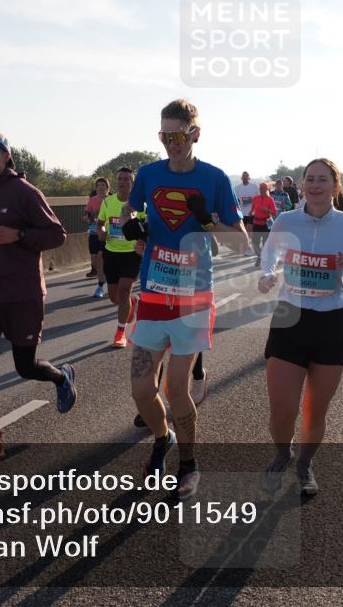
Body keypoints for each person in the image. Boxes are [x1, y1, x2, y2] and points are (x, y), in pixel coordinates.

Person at [122, 99, 248, 501]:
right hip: (155, 293)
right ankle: (163, 438)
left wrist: (207, 219)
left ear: (195, 134)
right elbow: (129, 210)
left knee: (177, 389)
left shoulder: (214, 179)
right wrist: (131, 225)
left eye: (178, 136)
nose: (171, 144)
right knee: (141, 388)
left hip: (194, 297)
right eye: (164, 136)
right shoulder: (148, 174)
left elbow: (241, 245)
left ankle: (189, 465)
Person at [258, 158, 343, 495]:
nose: (315, 185)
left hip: (330, 324)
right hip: (289, 318)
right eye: (309, 179)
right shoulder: (285, 221)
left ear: (335, 186)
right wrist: (267, 275)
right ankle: (282, 455)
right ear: (302, 185)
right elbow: (268, 255)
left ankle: (304, 464)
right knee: (282, 408)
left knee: (315, 411)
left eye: (322, 179)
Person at [0, 132, 76, 471]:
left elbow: (57, 235)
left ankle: (60, 376)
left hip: (22, 295)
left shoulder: (25, 192)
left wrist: (19, 235)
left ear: (6, 157)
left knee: (25, 366)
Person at [98, 167, 144, 348]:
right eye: (120, 179)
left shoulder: (140, 204)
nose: (123, 182)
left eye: (127, 179)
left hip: (131, 254)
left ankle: (120, 332)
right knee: (115, 298)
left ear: (132, 183)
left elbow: (145, 227)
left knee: (124, 290)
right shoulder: (108, 202)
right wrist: (101, 232)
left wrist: (140, 239)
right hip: (111, 252)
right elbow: (101, 223)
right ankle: (131, 302)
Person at [85, 178, 109, 297]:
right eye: (99, 185)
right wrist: (86, 218)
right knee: (94, 258)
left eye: (103, 185)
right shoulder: (92, 200)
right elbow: (87, 214)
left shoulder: (111, 200)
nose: (101, 187)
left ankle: (100, 286)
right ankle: (103, 276)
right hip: (93, 232)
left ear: (107, 187)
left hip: (106, 234)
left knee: (100, 257)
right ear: (96, 188)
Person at [250, 181, 279, 265]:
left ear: (267, 189)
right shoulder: (255, 198)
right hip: (256, 222)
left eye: (263, 188)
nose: (261, 190)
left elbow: (274, 212)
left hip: (266, 223)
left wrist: (267, 210)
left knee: (265, 243)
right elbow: (252, 209)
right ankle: (260, 256)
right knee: (255, 242)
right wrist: (250, 212)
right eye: (260, 188)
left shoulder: (270, 199)